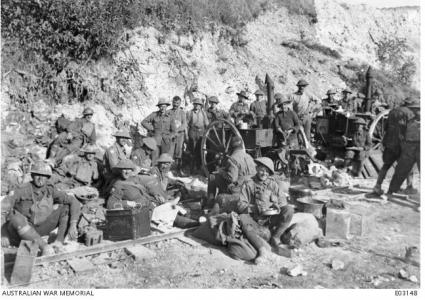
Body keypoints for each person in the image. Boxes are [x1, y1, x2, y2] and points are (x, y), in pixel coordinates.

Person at [1, 161, 80, 255]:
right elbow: (2, 210)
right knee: (16, 217)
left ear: (47, 178)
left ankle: (58, 242)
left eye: (44, 176)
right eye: (37, 175)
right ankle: (44, 247)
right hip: (20, 232)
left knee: (65, 208)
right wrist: (3, 233)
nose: (40, 178)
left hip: (39, 230)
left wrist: (73, 225)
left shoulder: (50, 189)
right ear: (32, 175)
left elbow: (73, 201)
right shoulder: (21, 189)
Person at [237, 157, 294, 263]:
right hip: (254, 220)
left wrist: (276, 205)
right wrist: (254, 208)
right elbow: (240, 205)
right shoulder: (249, 184)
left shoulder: (272, 184)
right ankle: (262, 248)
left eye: (267, 172)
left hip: (270, 219)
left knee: (289, 210)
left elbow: (282, 202)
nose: (264, 174)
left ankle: (276, 237)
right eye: (262, 170)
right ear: (257, 169)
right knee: (242, 218)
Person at [372, 97, 415, 196]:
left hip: (389, 143)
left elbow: (386, 128)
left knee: (386, 166)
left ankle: (377, 186)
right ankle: (409, 187)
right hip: (402, 145)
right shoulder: (410, 113)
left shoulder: (392, 112)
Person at [207, 136, 256, 212]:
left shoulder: (233, 158)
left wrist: (221, 172)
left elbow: (232, 179)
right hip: (250, 187)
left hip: (238, 189)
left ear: (231, 148)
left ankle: (210, 204)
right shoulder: (249, 157)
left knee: (212, 177)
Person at [387, 100, 420, 197]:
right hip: (408, 148)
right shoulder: (409, 121)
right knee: (400, 170)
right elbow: (401, 135)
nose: (414, 112)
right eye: (412, 110)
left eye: (416, 110)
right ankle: (391, 191)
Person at [187, 98, 209, 174]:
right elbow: (187, 124)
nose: (197, 106)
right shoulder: (190, 113)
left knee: (200, 150)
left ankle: (199, 167)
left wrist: (207, 133)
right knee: (192, 150)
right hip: (193, 132)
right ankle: (192, 168)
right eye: (195, 104)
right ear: (193, 105)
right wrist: (187, 135)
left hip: (201, 133)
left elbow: (206, 124)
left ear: (200, 106)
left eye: (198, 105)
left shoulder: (203, 113)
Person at [168, 96, 187, 175]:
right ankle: (169, 169)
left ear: (180, 103)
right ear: (172, 102)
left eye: (177, 103)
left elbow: (184, 124)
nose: (175, 105)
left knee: (179, 151)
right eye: (174, 103)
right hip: (171, 135)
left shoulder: (182, 113)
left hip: (180, 135)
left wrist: (177, 130)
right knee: (170, 151)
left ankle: (178, 169)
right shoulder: (168, 112)